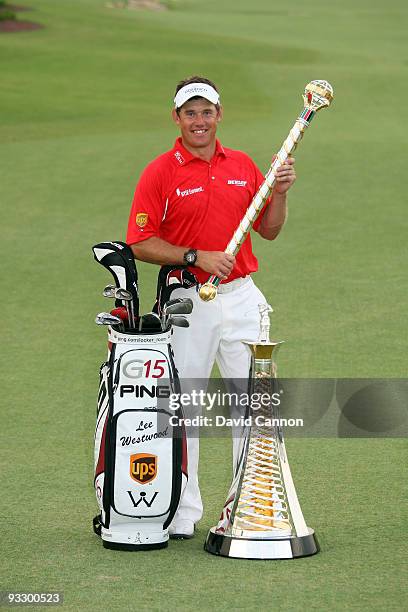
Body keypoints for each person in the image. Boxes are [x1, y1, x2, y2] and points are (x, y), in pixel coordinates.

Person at [126, 76, 296, 538]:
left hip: (241, 298)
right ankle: (182, 513)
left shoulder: (242, 165)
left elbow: (271, 230)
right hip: (187, 301)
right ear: (176, 118)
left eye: (206, 112)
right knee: (186, 408)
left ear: (219, 115)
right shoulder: (160, 171)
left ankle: (248, 508)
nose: (199, 121)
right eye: (190, 113)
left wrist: (278, 191)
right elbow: (139, 241)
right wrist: (193, 256)